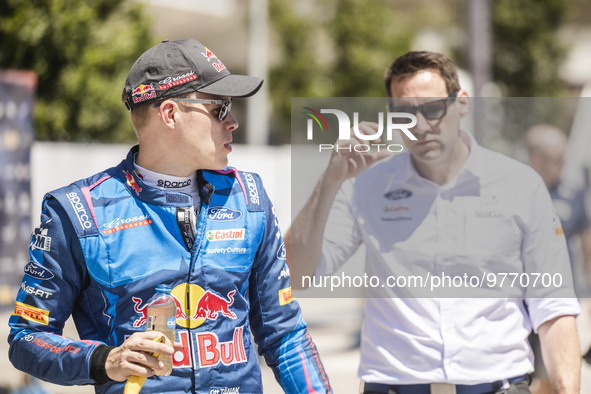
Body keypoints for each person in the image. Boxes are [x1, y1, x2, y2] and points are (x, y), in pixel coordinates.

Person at [8, 38, 332, 394]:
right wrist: (104, 361)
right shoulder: (77, 210)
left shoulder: (249, 198)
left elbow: (285, 335)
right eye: (220, 108)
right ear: (170, 114)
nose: (234, 122)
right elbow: (27, 337)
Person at [286, 51, 581, 393]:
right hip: (395, 384)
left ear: (462, 104)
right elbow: (296, 275)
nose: (421, 126)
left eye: (432, 109)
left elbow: (554, 306)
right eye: (405, 114)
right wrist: (330, 180)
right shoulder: (365, 185)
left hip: (496, 383)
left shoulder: (520, 185)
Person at [524, 124, 591, 394]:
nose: (563, 166)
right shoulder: (513, 191)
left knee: (554, 376)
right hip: (518, 302)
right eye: (557, 159)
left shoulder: (572, 193)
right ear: (537, 159)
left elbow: (587, 245)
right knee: (525, 376)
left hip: (556, 299)